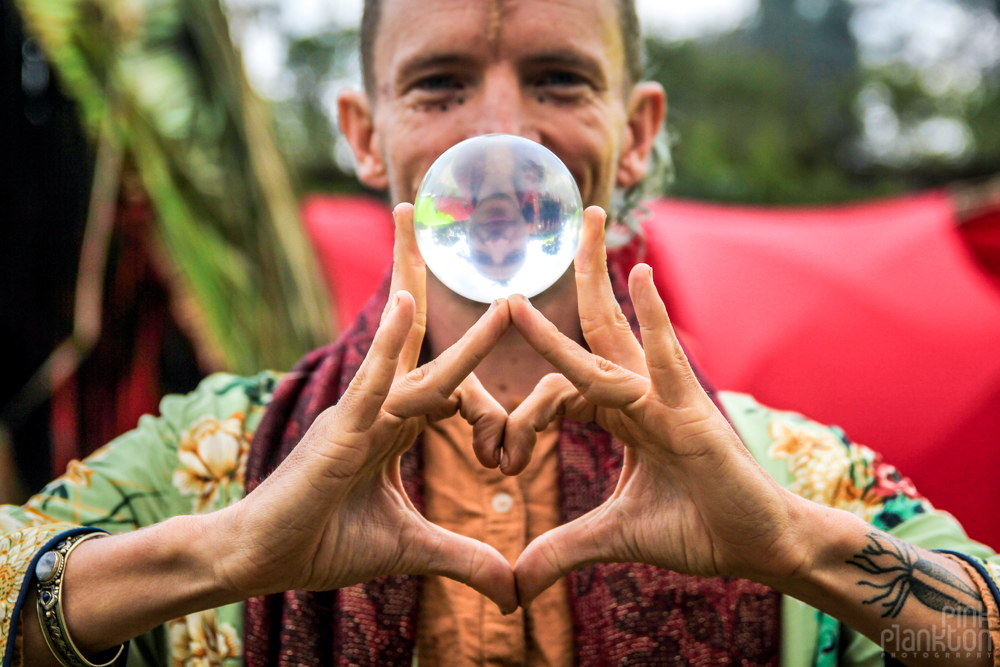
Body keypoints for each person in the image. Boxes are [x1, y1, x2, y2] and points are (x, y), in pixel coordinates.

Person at [2, 1, 999, 666]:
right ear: (362, 132)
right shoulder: (218, 455)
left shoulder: (781, 471)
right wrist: (221, 556)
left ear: (637, 128)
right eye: (437, 86)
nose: (504, 137)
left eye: (560, 81)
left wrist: (793, 548)